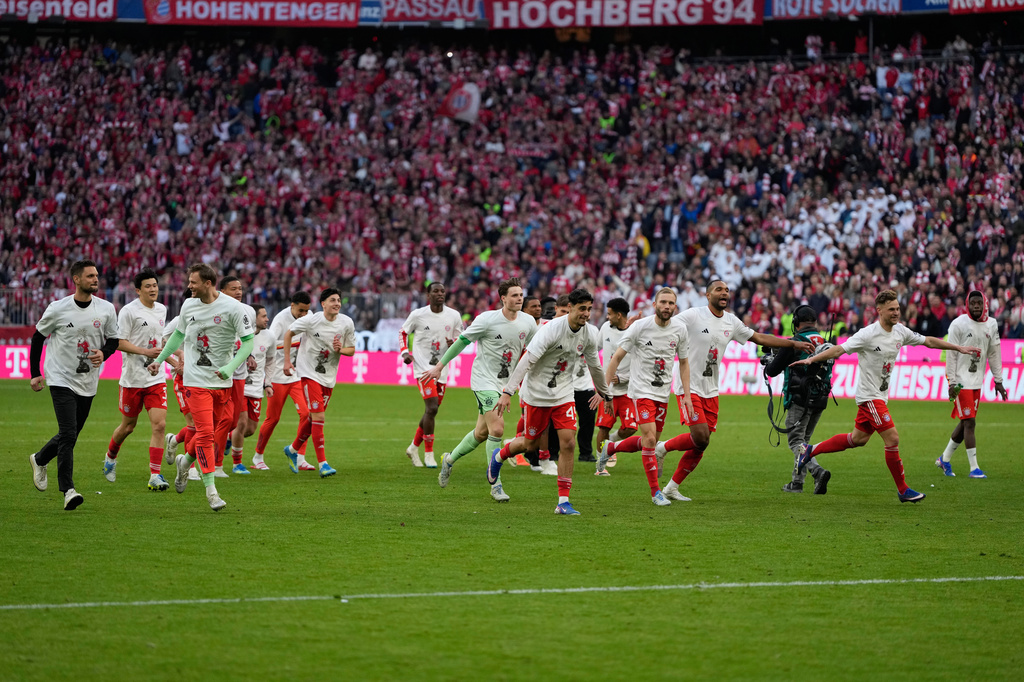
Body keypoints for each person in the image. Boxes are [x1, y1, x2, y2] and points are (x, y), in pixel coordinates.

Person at [793, 289, 980, 503]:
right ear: (879, 311)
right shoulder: (867, 334)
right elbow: (838, 350)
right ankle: (903, 490)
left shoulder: (900, 331)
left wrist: (958, 348)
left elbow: (928, 341)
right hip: (869, 396)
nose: (896, 313)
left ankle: (809, 450)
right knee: (892, 438)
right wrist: (811, 360)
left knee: (857, 439)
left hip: (880, 396)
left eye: (898, 308)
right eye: (891, 309)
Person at [657, 279, 814, 501]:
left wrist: (792, 343)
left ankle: (672, 487)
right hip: (688, 386)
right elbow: (665, 323)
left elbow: (759, 337)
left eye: (727, 290)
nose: (724, 293)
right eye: (719, 290)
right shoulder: (693, 315)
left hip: (711, 389)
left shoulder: (731, 321)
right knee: (700, 436)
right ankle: (662, 447)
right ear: (707, 294)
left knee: (702, 443)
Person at [491, 288, 609, 514]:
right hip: (536, 393)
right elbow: (526, 361)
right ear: (570, 308)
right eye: (581, 309)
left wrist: (604, 393)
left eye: (589, 309)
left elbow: (595, 366)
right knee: (529, 444)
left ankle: (563, 502)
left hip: (564, 394)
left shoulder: (588, 334)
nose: (586, 314)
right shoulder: (551, 330)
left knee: (568, 442)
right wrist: (508, 392)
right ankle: (500, 456)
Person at [150, 263, 255, 512]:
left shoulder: (233, 308)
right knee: (206, 435)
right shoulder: (189, 305)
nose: (189, 286)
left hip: (222, 382)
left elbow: (249, 342)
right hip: (195, 381)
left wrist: (230, 368)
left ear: (208, 284)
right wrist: (158, 360)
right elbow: (177, 336)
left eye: (193, 282)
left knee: (212, 431)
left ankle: (184, 462)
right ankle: (212, 492)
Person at [423, 277, 537, 499]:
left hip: (504, 384)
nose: (519, 299)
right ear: (503, 298)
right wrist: (440, 366)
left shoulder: (528, 323)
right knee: (497, 429)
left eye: (521, 295)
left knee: (482, 433)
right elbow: (462, 341)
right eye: (514, 295)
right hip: (483, 380)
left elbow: (532, 352)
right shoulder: (487, 320)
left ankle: (449, 459)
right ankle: (496, 484)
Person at [28, 260, 119, 510]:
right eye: (90, 276)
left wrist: (104, 353)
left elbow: (113, 340)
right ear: (76, 279)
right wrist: (35, 372)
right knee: (68, 433)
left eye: (96, 275)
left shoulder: (106, 309)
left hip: (88, 381)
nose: (96, 279)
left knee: (72, 434)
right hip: (60, 378)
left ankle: (40, 458)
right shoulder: (58, 308)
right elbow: (38, 337)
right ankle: (68, 490)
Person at [597, 289, 692, 505]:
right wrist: (605, 391)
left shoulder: (680, 329)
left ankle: (611, 447)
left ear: (675, 306)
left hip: (662, 393)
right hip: (641, 391)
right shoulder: (640, 327)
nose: (667, 306)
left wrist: (686, 394)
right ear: (654, 304)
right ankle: (655, 492)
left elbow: (684, 362)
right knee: (650, 440)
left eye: (671, 303)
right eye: (663, 302)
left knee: (651, 441)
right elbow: (616, 358)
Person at [101, 268, 169, 490]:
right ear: (138, 290)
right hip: (132, 380)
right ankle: (111, 456)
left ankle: (155, 475)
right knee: (128, 426)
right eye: (148, 286)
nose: (153, 289)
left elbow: (161, 340)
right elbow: (119, 342)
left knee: (159, 425)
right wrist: (145, 352)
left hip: (156, 377)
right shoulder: (129, 311)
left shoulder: (162, 309)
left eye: (155, 285)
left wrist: (172, 358)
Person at [281, 288, 356, 477]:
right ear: (323, 304)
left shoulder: (346, 322)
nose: (337, 303)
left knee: (312, 418)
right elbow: (289, 334)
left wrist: (341, 349)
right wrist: (287, 360)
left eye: (339, 300)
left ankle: (292, 448)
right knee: (319, 417)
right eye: (333, 300)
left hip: (329, 377)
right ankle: (323, 463)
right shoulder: (311, 320)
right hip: (309, 374)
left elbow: (352, 350)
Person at [763, 304, 833, 494]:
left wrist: (770, 360)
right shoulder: (824, 340)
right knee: (804, 440)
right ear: (815, 322)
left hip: (800, 398)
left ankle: (817, 471)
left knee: (795, 441)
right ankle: (797, 483)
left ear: (795, 322)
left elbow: (772, 371)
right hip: (821, 397)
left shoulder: (795, 341)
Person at [937, 290, 1007, 478]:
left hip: (977, 381)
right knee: (970, 422)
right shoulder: (958, 324)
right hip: (960, 381)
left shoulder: (991, 324)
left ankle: (944, 459)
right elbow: (950, 355)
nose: (976, 306)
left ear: (984, 304)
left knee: (964, 422)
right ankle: (974, 468)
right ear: (967, 304)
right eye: (972, 303)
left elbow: (994, 353)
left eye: (979, 303)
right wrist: (951, 381)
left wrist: (998, 380)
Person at [401, 282, 464, 468]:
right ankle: (429, 454)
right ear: (428, 294)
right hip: (423, 369)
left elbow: (461, 340)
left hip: (442, 369)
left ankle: (413, 447)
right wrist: (405, 352)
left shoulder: (454, 316)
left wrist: (453, 343)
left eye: (443, 291)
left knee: (431, 411)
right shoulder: (418, 315)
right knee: (432, 408)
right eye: (435, 291)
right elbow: (403, 332)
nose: (440, 294)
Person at [254, 291, 312, 470]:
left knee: (307, 416)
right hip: (278, 376)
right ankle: (258, 456)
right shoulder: (280, 320)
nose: (304, 315)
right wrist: (293, 343)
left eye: (306, 311)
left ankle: (299, 456)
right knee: (273, 419)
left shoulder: (308, 316)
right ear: (292, 305)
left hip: (296, 375)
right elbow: (270, 344)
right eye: (301, 310)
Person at [213, 276, 258, 476]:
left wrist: (250, 356)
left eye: (240, 288)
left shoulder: (248, 311)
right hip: (219, 374)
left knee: (232, 422)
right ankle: (215, 464)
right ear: (222, 291)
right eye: (233, 289)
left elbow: (248, 339)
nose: (238, 292)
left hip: (239, 374)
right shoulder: (214, 308)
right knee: (222, 420)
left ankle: (180, 440)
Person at [229, 304, 276, 473]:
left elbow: (271, 361)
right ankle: (237, 464)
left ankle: (229, 438)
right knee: (240, 424)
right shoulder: (239, 334)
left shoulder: (270, 336)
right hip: (239, 385)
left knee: (249, 430)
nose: (267, 319)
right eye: (263, 316)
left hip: (256, 388)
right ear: (253, 318)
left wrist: (268, 383)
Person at [594, 297, 637, 474]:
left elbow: (641, 363)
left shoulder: (635, 333)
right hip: (608, 391)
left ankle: (611, 443)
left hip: (627, 391)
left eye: (610, 314)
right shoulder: (605, 328)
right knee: (604, 427)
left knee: (631, 428)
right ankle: (600, 466)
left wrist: (624, 377)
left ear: (619, 315)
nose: (607, 317)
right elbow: (594, 348)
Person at [163, 290, 194, 465]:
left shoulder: (209, 320)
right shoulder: (178, 321)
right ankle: (189, 466)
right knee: (193, 424)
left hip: (204, 379)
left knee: (204, 425)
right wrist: (177, 360)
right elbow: (162, 342)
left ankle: (174, 440)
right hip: (184, 379)